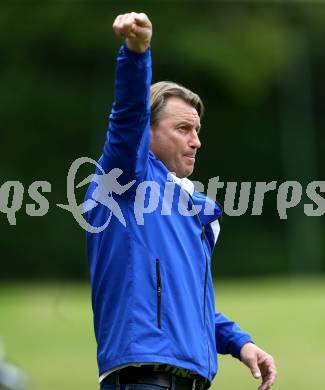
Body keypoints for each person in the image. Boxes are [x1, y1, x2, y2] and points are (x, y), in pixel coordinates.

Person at [85, 12, 277, 390]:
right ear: (147, 132)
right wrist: (137, 54)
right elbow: (126, 117)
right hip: (144, 379)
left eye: (197, 130)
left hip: (191, 380)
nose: (196, 141)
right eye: (183, 128)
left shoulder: (196, 210)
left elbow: (189, 303)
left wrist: (240, 342)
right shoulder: (124, 183)